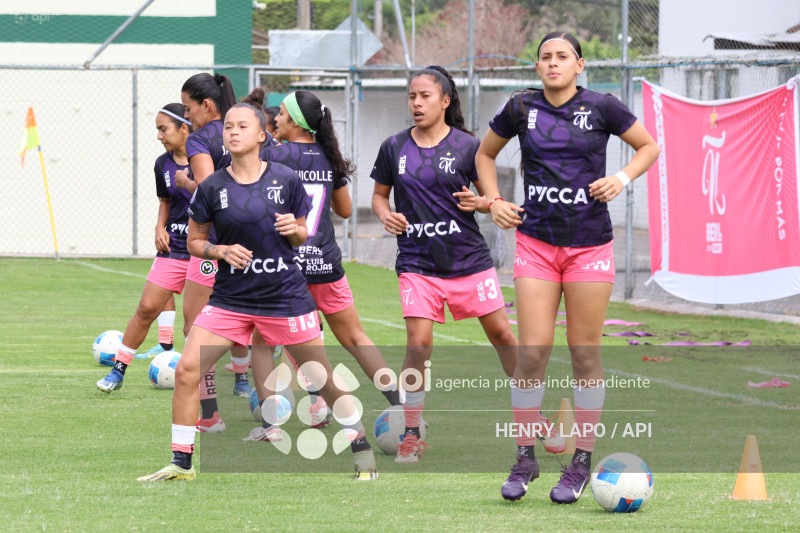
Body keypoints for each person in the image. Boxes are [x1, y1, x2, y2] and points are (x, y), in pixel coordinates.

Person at [138, 102, 377, 481]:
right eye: (228, 125)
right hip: (231, 300)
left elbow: (303, 231)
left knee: (321, 377)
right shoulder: (213, 186)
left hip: (284, 297)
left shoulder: (286, 179)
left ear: (261, 135)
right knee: (186, 369)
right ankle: (181, 463)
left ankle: (363, 453)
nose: (233, 131)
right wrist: (220, 250)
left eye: (243, 125)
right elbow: (197, 242)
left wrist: (293, 229)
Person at [475, 32, 660, 503]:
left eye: (562, 57)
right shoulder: (520, 108)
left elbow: (648, 147)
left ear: (580, 65)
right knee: (532, 354)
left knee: (584, 356)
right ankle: (524, 458)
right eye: (545, 58)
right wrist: (494, 200)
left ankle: (580, 462)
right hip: (536, 245)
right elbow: (484, 154)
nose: (553, 64)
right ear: (537, 67)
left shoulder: (603, 106)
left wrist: (620, 178)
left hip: (589, 247)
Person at [370, 66, 519, 464]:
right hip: (417, 262)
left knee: (503, 335)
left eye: (425, 96)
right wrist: (386, 215)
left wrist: (483, 202)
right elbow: (379, 197)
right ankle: (412, 432)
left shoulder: (469, 146)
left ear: (445, 101)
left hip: (468, 260)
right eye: (412, 96)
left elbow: (493, 200)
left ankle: (532, 411)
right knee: (419, 344)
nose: (416, 103)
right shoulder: (393, 147)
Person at [242, 89, 401, 443]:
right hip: (326, 264)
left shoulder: (272, 155)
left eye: (281, 114)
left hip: (286, 272)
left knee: (263, 343)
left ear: (296, 120)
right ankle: (402, 405)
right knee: (356, 338)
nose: (276, 119)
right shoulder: (328, 156)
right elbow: (344, 211)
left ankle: (271, 427)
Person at [175, 73, 259, 432]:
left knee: (196, 327)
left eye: (189, 108)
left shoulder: (200, 139)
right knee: (273, 329)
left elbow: (209, 192)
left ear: (206, 106)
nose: (187, 116)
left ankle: (209, 415)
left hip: (219, 246)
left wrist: (186, 183)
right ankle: (314, 404)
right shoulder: (256, 131)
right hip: (260, 244)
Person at [96, 103, 194, 392]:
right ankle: (118, 371)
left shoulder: (211, 158)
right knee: (147, 307)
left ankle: (225, 378)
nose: (159, 136)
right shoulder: (162, 163)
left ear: (183, 128)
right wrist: (159, 227)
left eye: (163, 129)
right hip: (173, 246)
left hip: (206, 250)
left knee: (198, 321)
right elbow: (165, 201)